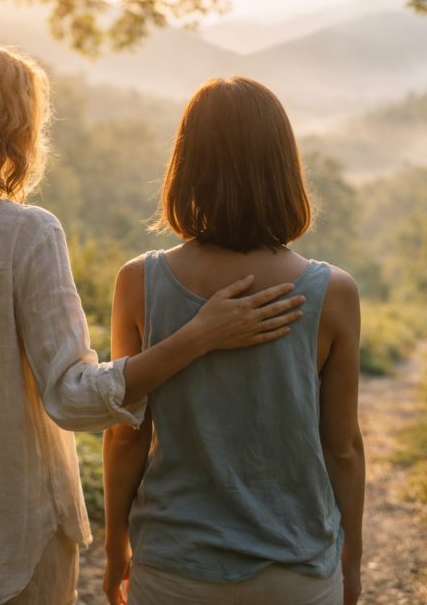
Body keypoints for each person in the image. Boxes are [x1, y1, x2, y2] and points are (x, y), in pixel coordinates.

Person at [0, 41, 307, 605]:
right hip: (9, 529)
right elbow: (73, 397)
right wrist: (199, 335)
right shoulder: (26, 232)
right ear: (11, 130)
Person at [102, 76, 365, 605]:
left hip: (176, 566)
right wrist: (350, 560)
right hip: (297, 566)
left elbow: (127, 434)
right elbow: (342, 448)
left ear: (186, 168)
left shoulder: (140, 282)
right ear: (284, 169)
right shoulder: (332, 291)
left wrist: (115, 551)